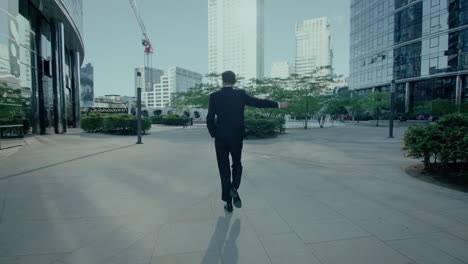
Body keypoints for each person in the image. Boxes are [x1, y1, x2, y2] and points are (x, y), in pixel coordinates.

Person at [206, 71, 289, 212]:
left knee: (224, 168)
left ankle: (228, 203)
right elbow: (258, 103)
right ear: (235, 81)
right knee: (237, 165)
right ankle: (234, 188)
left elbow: (209, 118)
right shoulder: (240, 95)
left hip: (221, 137)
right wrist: (279, 104)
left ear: (222, 81)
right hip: (236, 136)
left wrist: (215, 133)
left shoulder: (214, 96)